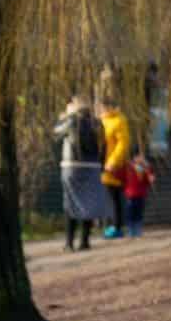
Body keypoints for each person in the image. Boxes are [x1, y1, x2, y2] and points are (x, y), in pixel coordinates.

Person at [52, 90, 110, 251]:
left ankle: (69, 243)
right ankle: (85, 241)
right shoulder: (98, 123)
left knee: (70, 202)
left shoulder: (70, 120)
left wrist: (65, 116)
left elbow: (55, 133)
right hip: (93, 167)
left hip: (72, 166)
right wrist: (102, 165)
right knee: (88, 203)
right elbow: (104, 146)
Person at [98, 70, 137, 239]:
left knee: (114, 197)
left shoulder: (119, 121)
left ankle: (117, 226)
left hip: (112, 165)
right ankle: (111, 225)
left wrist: (114, 160)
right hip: (102, 165)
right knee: (108, 197)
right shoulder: (103, 120)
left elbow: (123, 143)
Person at [121, 150, 156, 239]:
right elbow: (122, 177)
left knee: (139, 213)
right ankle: (131, 231)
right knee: (130, 213)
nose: (141, 158)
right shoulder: (129, 166)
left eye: (142, 157)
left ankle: (138, 231)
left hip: (141, 194)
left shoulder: (145, 168)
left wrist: (149, 174)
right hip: (130, 194)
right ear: (135, 157)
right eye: (139, 156)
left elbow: (149, 178)